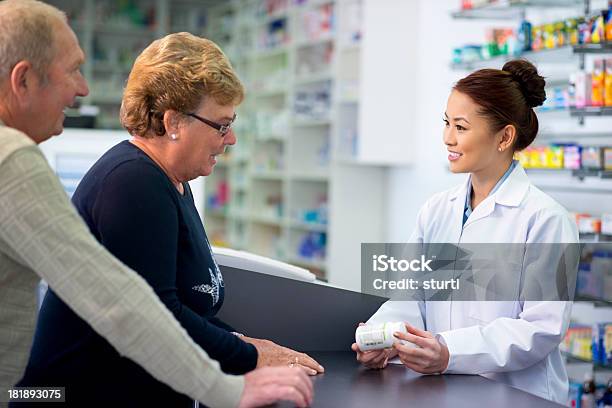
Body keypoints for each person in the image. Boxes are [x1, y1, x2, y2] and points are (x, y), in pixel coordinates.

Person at [0, 1, 312, 407]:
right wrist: (232, 383)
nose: (84, 89)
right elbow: (121, 303)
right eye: (73, 69)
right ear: (23, 80)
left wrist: (244, 347)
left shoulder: (172, 181)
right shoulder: (21, 160)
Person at [351, 59, 578, 405]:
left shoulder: (546, 220)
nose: (447, 138)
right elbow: (412, 298)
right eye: (446, 123)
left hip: (518, 396)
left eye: (460, 127)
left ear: (504, 137)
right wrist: (384, 338)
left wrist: (448, 352)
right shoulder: (438, 210)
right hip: (443, 391)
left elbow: (540, 329)